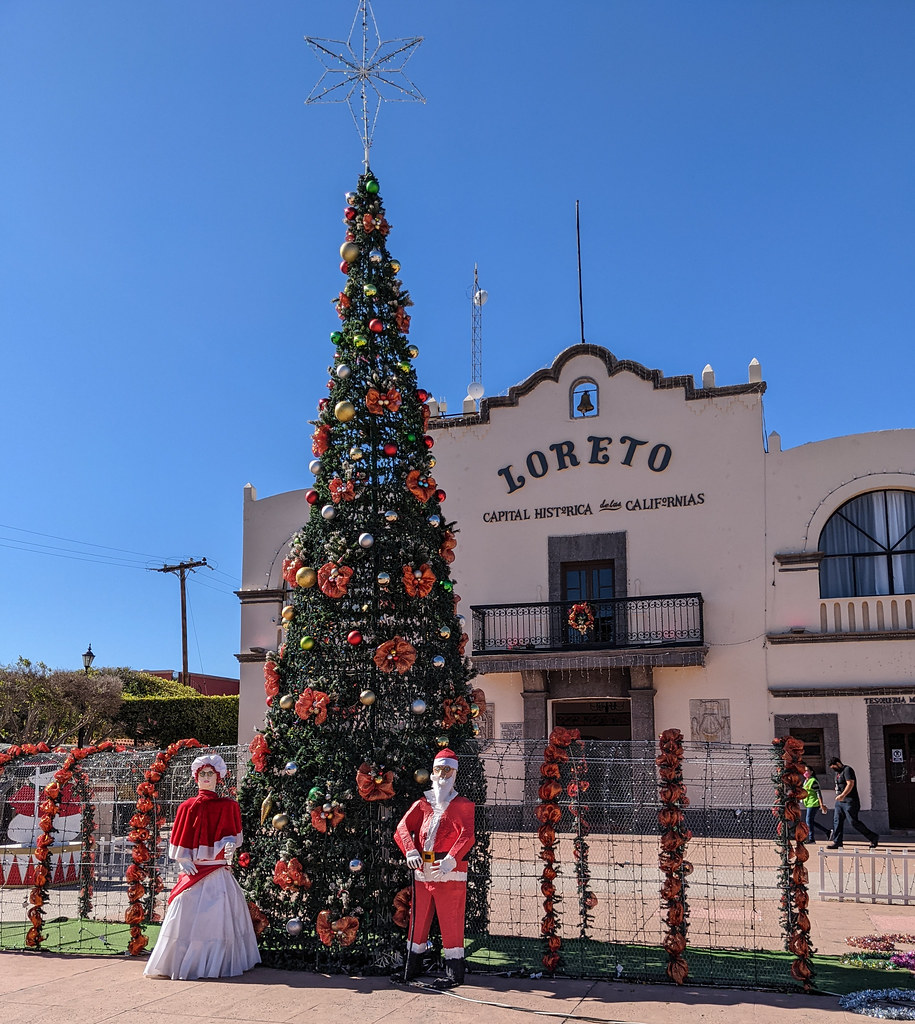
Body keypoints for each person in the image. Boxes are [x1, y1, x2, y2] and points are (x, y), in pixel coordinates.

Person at [144, 754, 261, 980]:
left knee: (219, 917)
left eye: (210, 774)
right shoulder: (187, 807)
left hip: (217, 872)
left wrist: (230, 849)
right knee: (183, 909)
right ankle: (183, 961)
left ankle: (218, 963)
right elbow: (179, 837)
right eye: (202, 774)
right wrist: (183, 859)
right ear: (196, 778)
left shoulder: (229, 806)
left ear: (218, 777)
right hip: (194, 871)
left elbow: (232, 837)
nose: (206, 778)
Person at [394, 748, 475, 988]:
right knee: (418, 920)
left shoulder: (463, 804)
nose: (441, 775)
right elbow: (401, 828)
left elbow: (467, 835)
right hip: (422, 870)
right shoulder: (422, 804)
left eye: (447, 770)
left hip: (449, 871)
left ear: (455, 774)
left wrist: (452, 858)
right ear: (432, 773)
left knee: (451, 919)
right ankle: (412, 968)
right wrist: (409, 850)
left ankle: (453, 973)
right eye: (438, 770)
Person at [826, 756, 879, 850]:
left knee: (853, 822)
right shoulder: (838, 773)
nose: (833, 769)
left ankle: (873, 837)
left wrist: (843, 795)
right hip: (840, 802)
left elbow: (850, 784)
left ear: (838, 763)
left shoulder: (847, 770)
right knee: (837, 821)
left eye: (834, 767)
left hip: (850, 801)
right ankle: (837, 842)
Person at [801, 767, 829, 843]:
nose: (805, 772)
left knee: (808, 820)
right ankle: (827, 832)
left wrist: (821, 804)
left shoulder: (813, 781)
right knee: (810, 821)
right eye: (805, 770)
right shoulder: (806, 781)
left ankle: (811, 839)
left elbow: (818, 793)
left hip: (813, 803)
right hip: (808, 803)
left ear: (811, 772)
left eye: (807, 770)